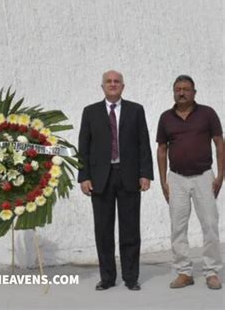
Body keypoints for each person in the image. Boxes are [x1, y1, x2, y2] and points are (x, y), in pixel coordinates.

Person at [78, 70, 153, 291]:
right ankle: (108, 278)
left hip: (129, 175)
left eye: (116, 82)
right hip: (100, 178)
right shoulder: (90, 112)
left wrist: (146, 174)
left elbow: (143, 143)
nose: (113, 85)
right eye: (109, 82)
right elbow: (84, 146)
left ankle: (131, 277)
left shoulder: (135, 110)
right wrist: (84, 177)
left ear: (123, 86)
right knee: (103, 230)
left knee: (130, 229)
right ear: (102, 86)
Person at [157, 75, 223, 290]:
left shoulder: (207, 113)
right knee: (178, 228)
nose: (182, 92)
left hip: (204, 177)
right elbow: (161, 150)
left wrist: (220, 175)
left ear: (194, 92)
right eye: (178, 89)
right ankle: (184, 272)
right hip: (176, 179)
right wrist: (163, 181)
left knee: (210, 226)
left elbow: (219, 143)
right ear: (173, 92)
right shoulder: (166, 118)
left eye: (186, 89)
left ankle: (211, 271)